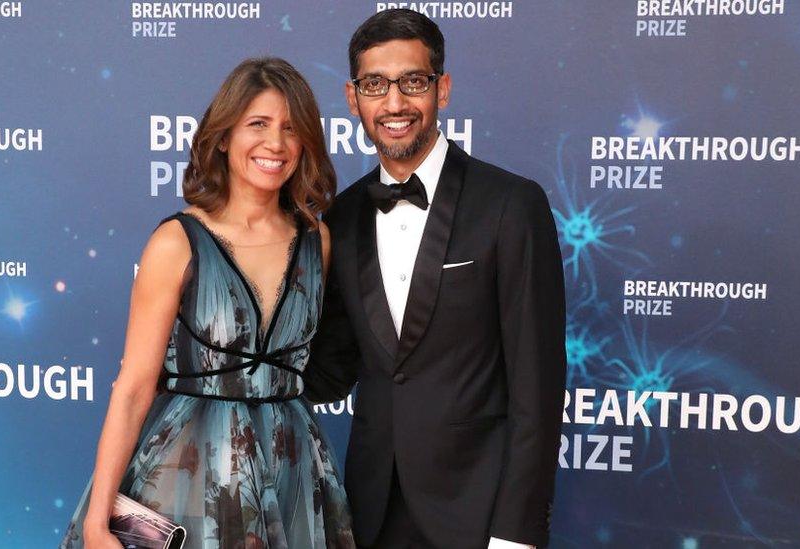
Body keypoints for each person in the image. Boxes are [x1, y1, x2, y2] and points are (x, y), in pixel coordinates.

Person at [61, 57, 354, 549]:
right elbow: (133, 387)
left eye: (290, 128)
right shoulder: (177, 243)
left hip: (294, 468)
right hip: (190, 471)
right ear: (223, 137)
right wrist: (96, 521)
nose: (275, 144)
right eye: (257, 124)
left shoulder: (316, 241)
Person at [302, 9, 567, 549]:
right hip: (373, 510)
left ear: (441, 89)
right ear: (354, 99)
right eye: (375, 85)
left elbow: (538, 388)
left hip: (480, 513)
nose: (394, 104)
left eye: (413, 82)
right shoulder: (342, 218)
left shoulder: (511, 205)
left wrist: (516, 532)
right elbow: (331, 369)